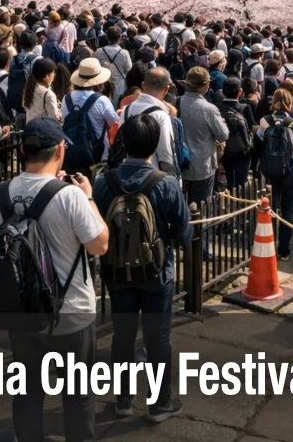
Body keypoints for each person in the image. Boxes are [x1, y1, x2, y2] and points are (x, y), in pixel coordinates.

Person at [0, 118, 111, 441]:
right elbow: (99, 245)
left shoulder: (0, 194)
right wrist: (89, 197)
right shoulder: (71, 197)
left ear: (22, 151)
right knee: (78, 395)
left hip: (22, 311)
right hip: (71, 312)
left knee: (27, 392)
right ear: (60, 151)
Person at [91, 113, 191, 421]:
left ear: (123, 143)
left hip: (116, 270)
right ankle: (160, 402)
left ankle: (123, 399)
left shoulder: (103, 182)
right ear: (155, 144)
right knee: (157, 336)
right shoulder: (166, 183)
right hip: (155, 271)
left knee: (122, 334)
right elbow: (184, 232)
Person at [257, 88, 293, 260]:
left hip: (270, 168)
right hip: (290, 169)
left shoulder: (265, 120)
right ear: (289, 102)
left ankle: (269, 243)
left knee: (271, 207)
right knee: (288, 209)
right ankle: (284, 249)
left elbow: (260, 139)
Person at [180, 67, 229, 206]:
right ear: (205, 85)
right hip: (202, 165)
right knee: (201, 208)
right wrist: (223, 123)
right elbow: (223, 135)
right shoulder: (209, 109)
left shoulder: (176, 103)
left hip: (180, 164)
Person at [63, 57, 119, 174]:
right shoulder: (101, 100)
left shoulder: (66, 99)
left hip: (71, 155)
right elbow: (114, 124)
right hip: (97, 158)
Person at [217, 76, 256, 190]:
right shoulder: (244, 107)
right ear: (240, 92)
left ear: (222, 92)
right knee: (241, 182)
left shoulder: (216, 107)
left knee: (228, 178)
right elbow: (253, 127)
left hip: (223, 149)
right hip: (242, 150)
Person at [95, 26, 132, 104]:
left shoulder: (98, 52)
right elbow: (129, 68)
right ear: (120, 38)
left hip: (103, 82)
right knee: (117, 103)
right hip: (119, 83)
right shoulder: (124, 53)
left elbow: (96, 67)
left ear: (107, 37)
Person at [23, 57, 61, 124]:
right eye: (53, 72)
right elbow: (54, 118)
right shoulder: (48, 94)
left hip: (30, 127)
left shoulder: (29, 88)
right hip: (43, 129)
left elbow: (24, 105)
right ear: (46, 76)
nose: (54, 75)